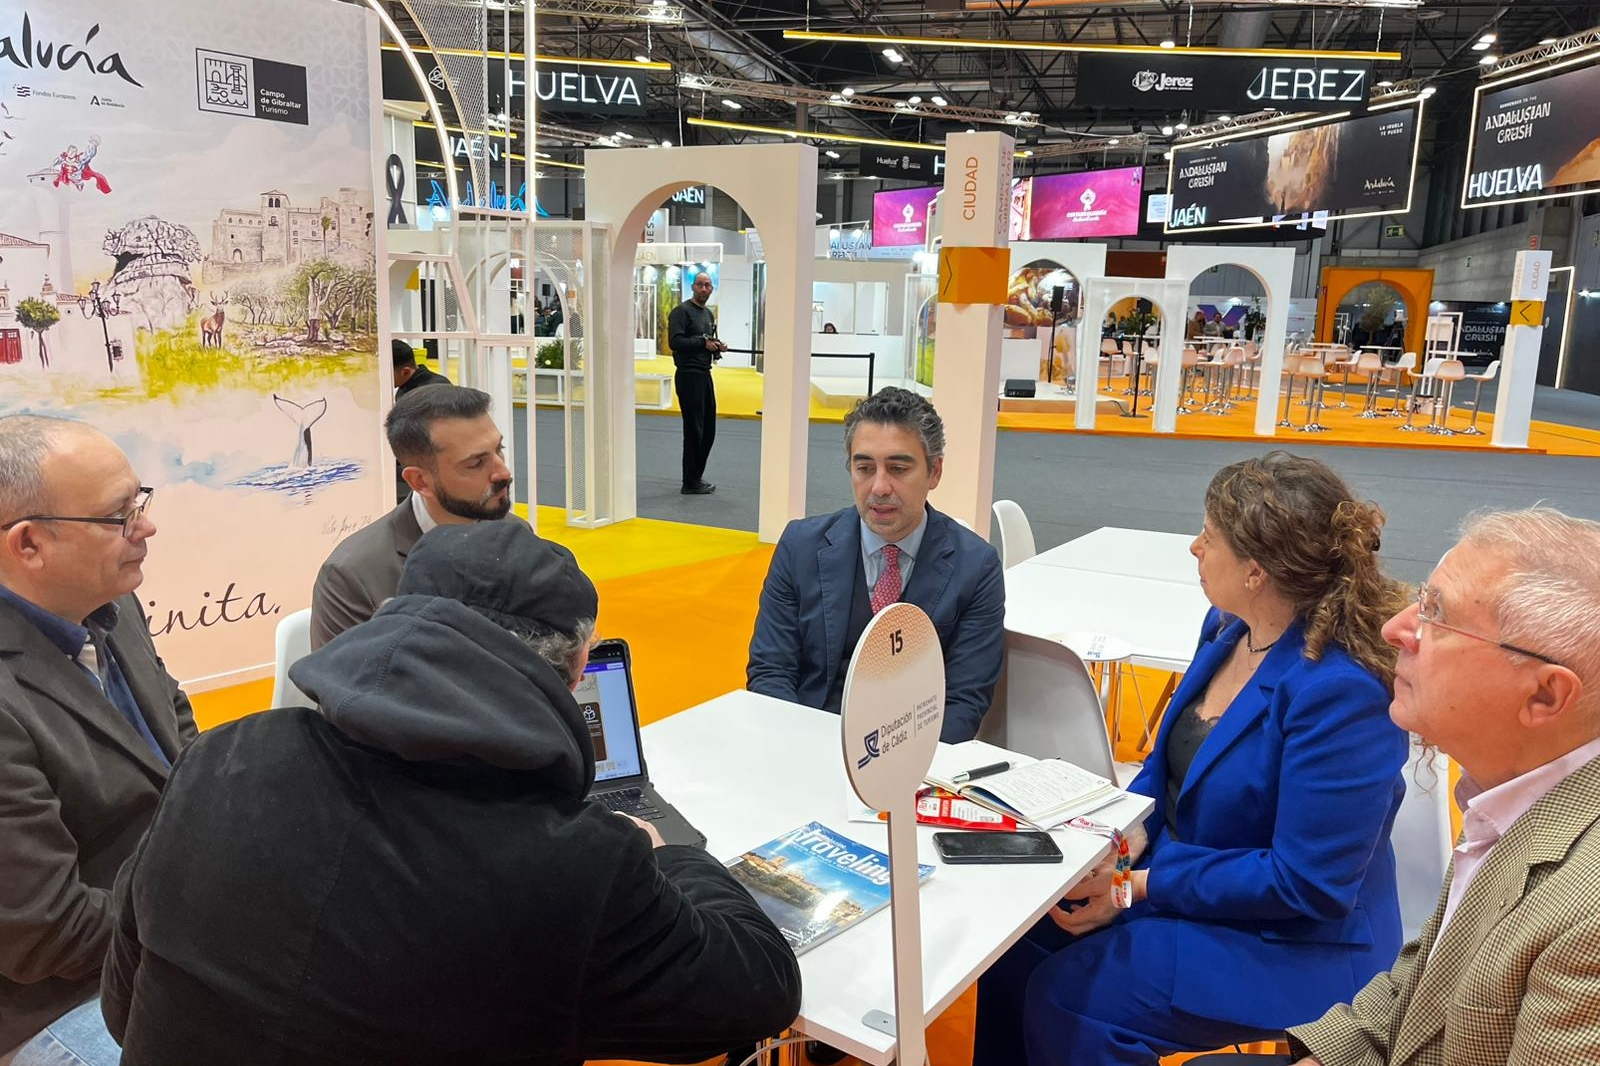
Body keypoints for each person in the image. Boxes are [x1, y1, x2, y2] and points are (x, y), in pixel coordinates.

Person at [99, 521, 803, 1066]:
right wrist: (665, 854)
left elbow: (122, 999)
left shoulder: (223, 754)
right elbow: (760, 989)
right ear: (579, 666)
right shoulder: (574, 863)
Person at [973, 451, 1412, 1066]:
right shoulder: (1229, 626)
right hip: (1194, 882)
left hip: (1297, 940)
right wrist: (1116, 848)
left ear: (1256, 570)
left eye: (1209, 537)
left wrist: (1132, 889)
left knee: (1071, 997)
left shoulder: (1342, 691)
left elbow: (1306, 885)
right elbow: (1164, 769)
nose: (1193, 547)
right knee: (1013, 942)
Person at [1207, 507, 1600, 1066]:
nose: (1396, 628)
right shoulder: (1510, 797)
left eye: (1437, 617)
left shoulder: (1587, 919)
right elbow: (1426, 978)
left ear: (1543, 696)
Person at [0, 416, 196, 1063]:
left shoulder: (109, 602)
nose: (146, 527)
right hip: (60, 999)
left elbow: (177, 728)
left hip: (164, 931)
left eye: (139, 502)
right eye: (119, 517)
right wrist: (208, 910)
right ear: (28, 545)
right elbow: (45, 932)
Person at [746, 387, 1005, 743]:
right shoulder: (800, 547)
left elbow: (964, 700)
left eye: (898, 468)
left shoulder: (976, 566)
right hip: (807, 741)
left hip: (915, 757)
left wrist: (902, 773)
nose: (879, 487)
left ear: (935, 472)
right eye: (864, 468)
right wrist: (797, 750)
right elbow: (770, 672)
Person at [309, 385, 512, 649]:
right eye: (475, 464)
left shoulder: (514, 534)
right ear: (420, 481)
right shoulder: (354, 576)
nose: (503, 472)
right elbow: (340, 686)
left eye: (499, 449)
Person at [668, 272, 726, 495]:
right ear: (693, 287)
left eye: (708, 285)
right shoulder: (681, 312)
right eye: (700, 284)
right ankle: (689, 482)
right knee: (694, 430)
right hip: (688, 375)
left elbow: (706, 340)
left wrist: (716, 346)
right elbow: (675, 341)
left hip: (704, 374)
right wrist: (703, 343)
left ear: (712, 289)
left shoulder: (708, 314)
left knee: (708, 430)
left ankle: (696, 476)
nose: (704, 288)